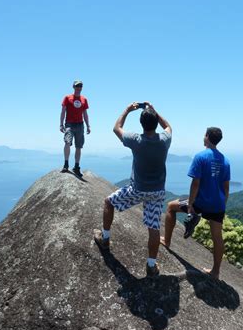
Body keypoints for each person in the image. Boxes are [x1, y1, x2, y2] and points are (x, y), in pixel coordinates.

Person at [94, 102, 172, 277]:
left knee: (108, 202)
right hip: (157, 192)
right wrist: (153, 109)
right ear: (154, 122)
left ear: (142, 124)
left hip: (137, 190)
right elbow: (167, 126)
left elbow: (116, 128)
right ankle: (151, 266)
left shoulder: (136, 140)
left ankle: (105, 239)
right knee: (153, 227)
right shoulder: (164, 141)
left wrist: (128, 110)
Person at [160, 127, 230, 280]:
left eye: (204, 134)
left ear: (207, 137)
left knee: (171, 207)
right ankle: (216, 272)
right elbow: (226, 187)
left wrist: (191, 205)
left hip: (200, 203)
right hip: (217, 205)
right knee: (217, 236)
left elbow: (195, 183)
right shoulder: (225, 160)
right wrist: (223, 204)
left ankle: (166, 241)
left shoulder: (200, 157)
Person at [60, 80, 91, 177]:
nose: (79, 88)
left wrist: (88, 125)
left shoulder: (84, 99)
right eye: (77, 86)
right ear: (73, 87)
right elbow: (63, 112)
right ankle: (66, 164)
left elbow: (85, 113)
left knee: (79, 146)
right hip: (69, 124)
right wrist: (61, 124)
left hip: (80, 125)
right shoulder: (67, 98)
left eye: (80, 86)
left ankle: (76, 167)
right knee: (67, 142)